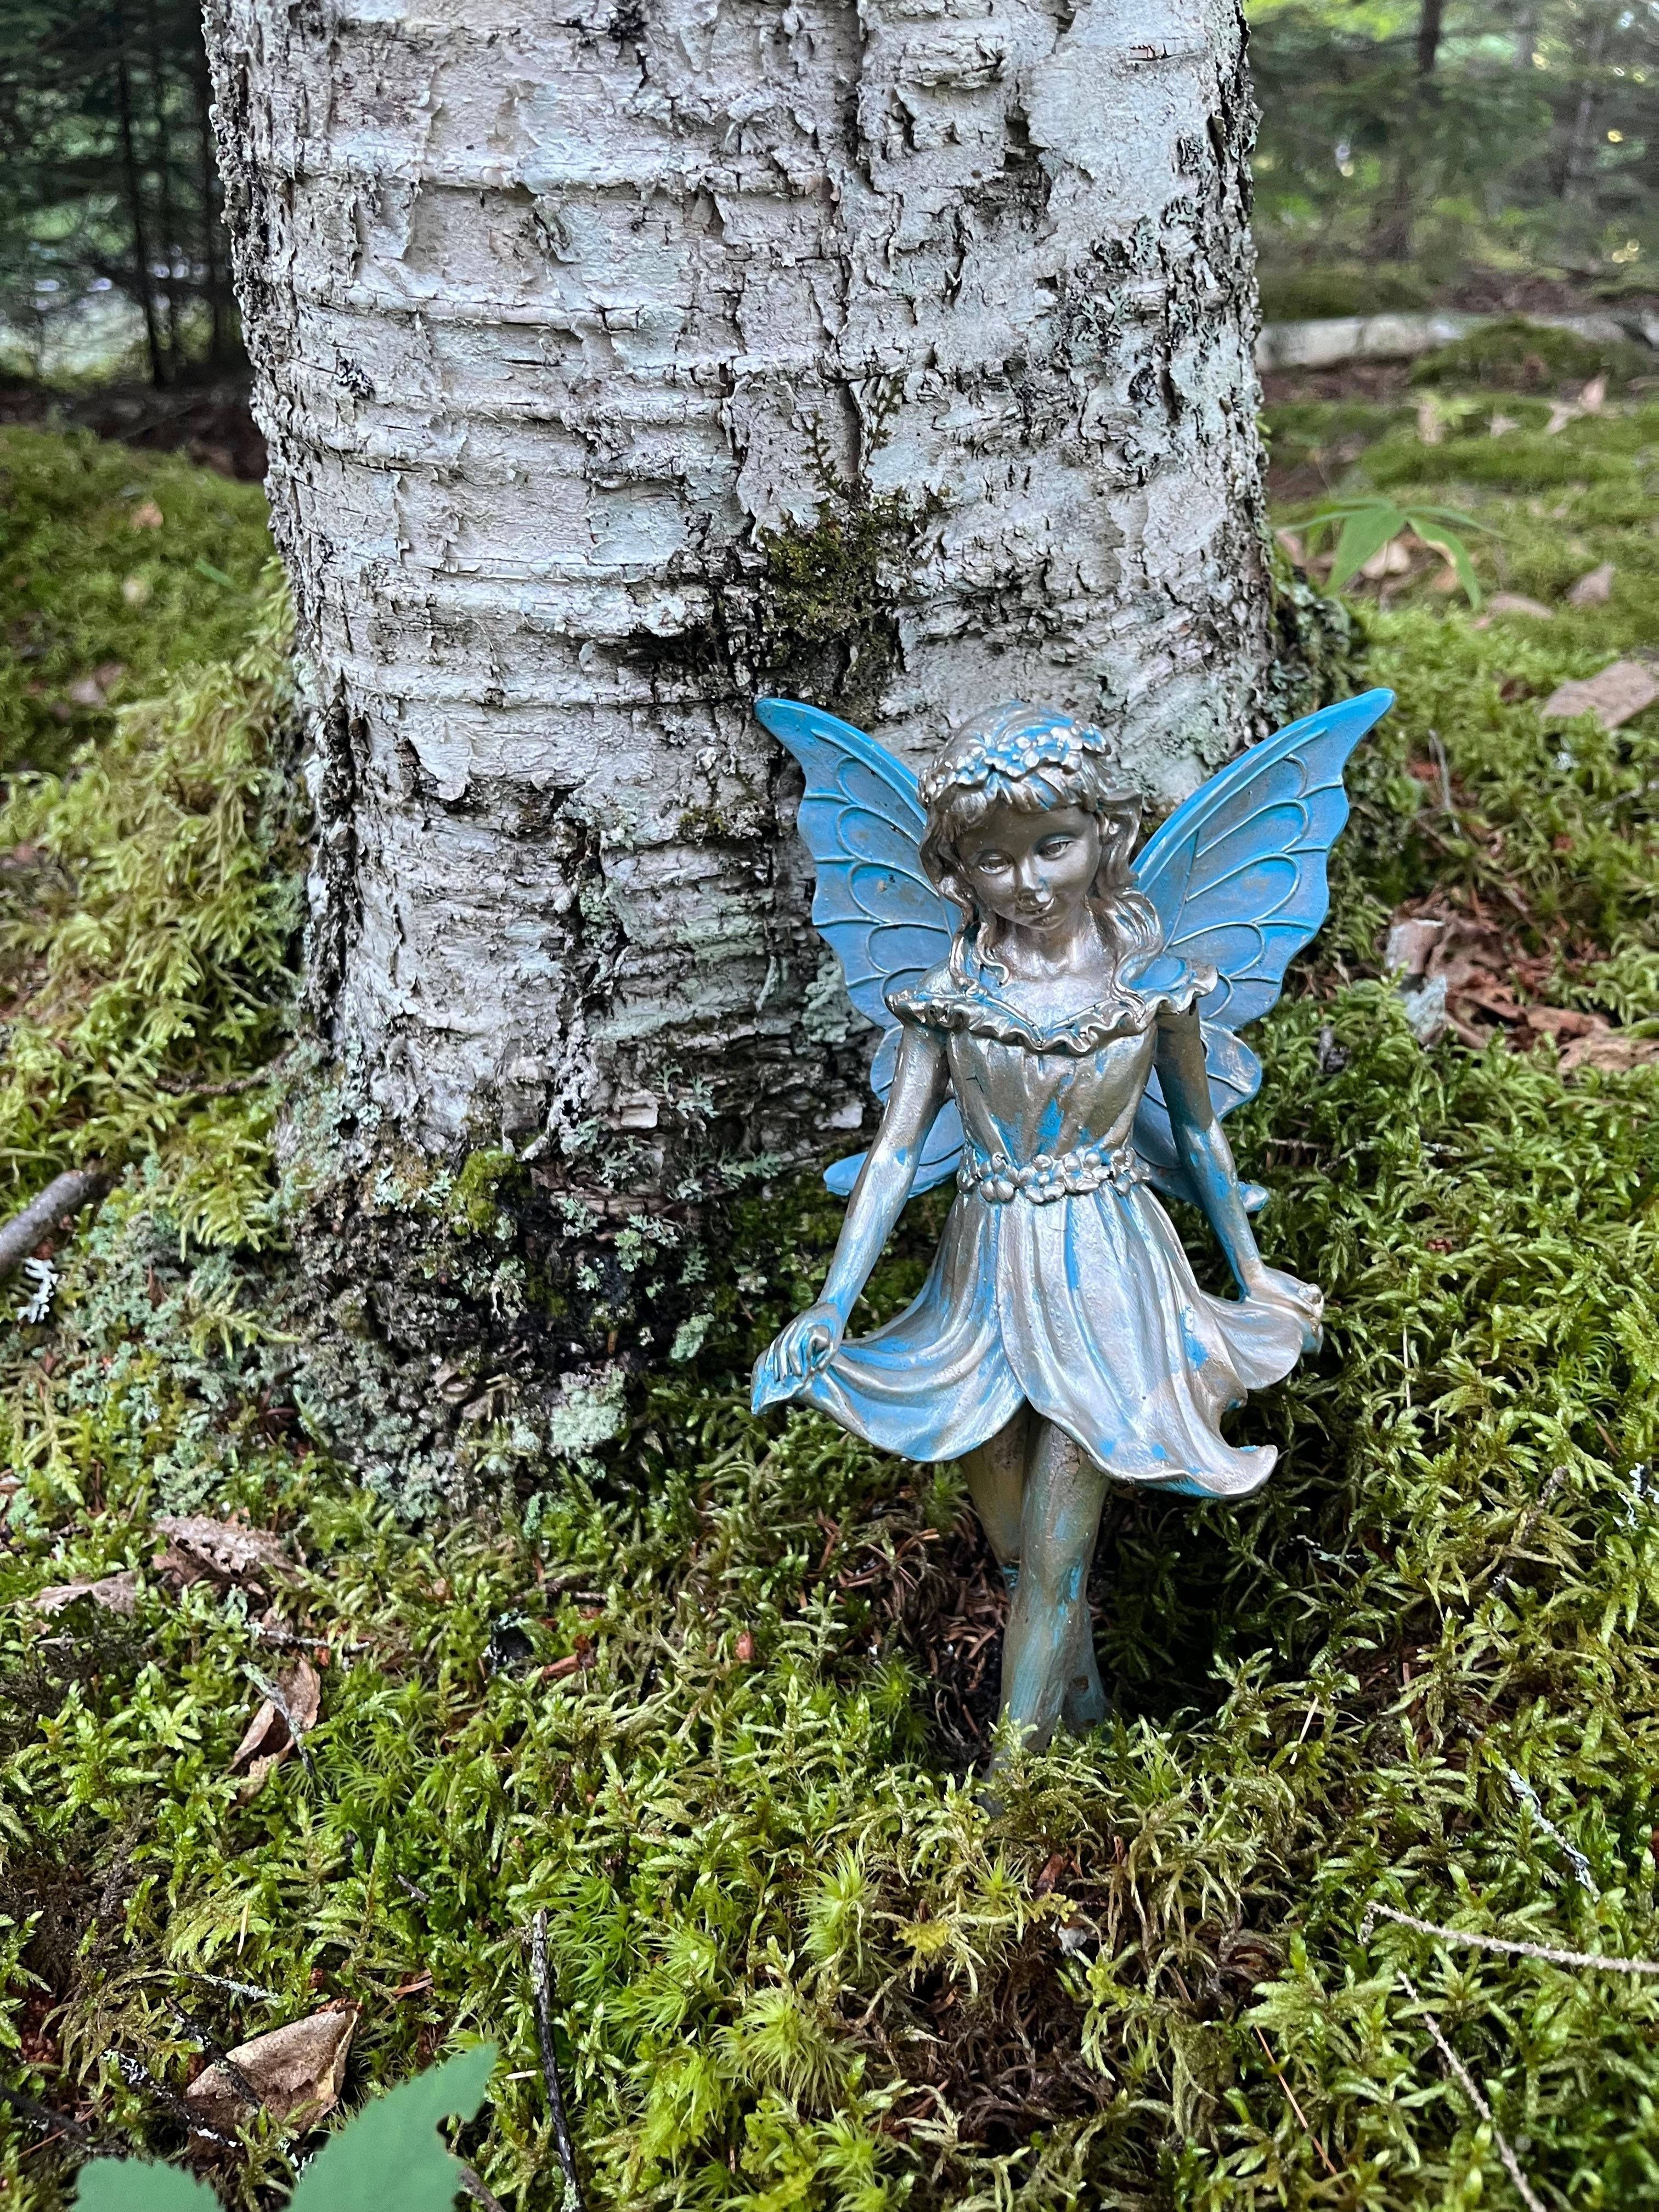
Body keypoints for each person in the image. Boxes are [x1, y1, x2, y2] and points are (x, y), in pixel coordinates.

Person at [752, 704, 1323, 1778]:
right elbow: (893, 1154)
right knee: (1019, 1556)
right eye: (994, 861)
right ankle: (1088, 1717)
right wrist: (834, 1301)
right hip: (978, 1281)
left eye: (1052, 846)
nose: (1028, 882)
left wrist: (1251, 1272)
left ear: (1106, 834)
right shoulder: (953, 994)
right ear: (958, 872)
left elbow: (1197, 1134)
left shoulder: (1150, 984)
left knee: (1058, 1561)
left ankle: (1009, 1802)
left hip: (1109, 1275)